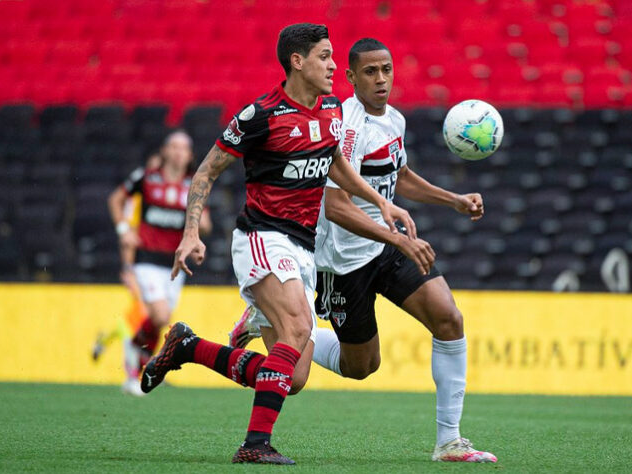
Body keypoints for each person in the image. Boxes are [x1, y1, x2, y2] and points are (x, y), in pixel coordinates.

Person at [139, 24, 417, 465]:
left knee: (294, 375)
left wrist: (382, 203)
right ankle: (254, 445)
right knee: (297, 330)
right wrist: (190, 232)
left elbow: (336, 167)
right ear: (298, 61)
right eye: (325, 57)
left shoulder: (330, 107)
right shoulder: (260, 116)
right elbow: (206, 172)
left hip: (303, 249)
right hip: (263, 237)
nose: (332, 67)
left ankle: (187, 347)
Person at [232, 38, 498, 463]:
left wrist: (453, 200)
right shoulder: (345, 125)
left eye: (387, 70)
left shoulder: (394, 119)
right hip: (341, 263)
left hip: (384, 248)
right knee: (361, 366)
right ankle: (267, 318)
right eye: (370, 71)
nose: (381, 79)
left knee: (448, 318)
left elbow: (400, 174)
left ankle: (450, 441)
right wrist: (398, 238)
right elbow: (335, 207)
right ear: (351, 76)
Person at [107, 132, 211, 396]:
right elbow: (115, 200)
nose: (178, 152)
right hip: (147, 260)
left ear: (190, 155)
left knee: (159, 320)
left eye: (184, 148)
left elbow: (205, 222)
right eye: (174, 147)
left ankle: (138, 363)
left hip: (175, 264)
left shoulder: (192, 185)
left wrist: (197, 233)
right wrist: (123, 230)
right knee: (161, 315)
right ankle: (138, 369)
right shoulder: (147, 177)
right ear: (165, 151)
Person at [92, 154, 161, 395]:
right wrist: (128, 269)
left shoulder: (159, 201)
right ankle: (133, 375)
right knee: (141, 319)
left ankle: (112, 345)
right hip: (140, 267)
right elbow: (129, 238)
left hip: (153, 267)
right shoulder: (137, 203)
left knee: (141, 320)